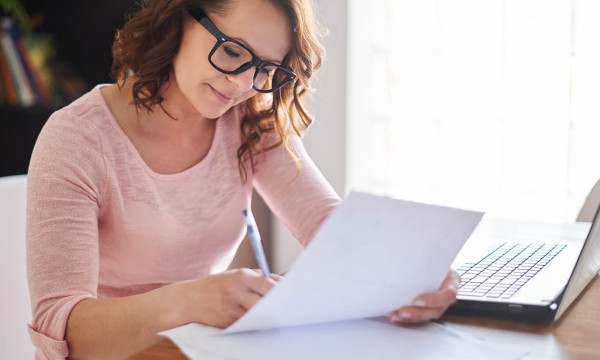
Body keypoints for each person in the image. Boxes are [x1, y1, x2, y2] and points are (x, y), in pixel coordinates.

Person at [26, 0, 460, 359]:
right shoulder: (78, 139)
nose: (241, 84)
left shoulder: (250, 123)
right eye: (232, 52)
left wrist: (419, 269)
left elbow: (334, 230)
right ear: (179, 19)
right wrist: (188, 301)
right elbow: (64, 330)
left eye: (265, 69)